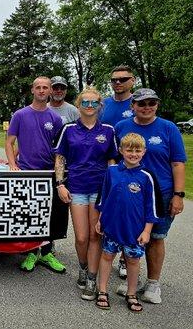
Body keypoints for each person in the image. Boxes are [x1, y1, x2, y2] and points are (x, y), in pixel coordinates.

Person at [114, 88, 187, 304]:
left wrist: (178, 195)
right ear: (132, 105)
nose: (147, 107)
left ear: (157, 105)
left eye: (151, 103)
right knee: (131, 235)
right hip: (129, 193)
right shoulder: (121, 127)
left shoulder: (168, 128)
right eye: (142, 103)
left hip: (161, 193)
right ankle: (133, 281)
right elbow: (114, 160)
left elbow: (177, 163)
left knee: (155, 238)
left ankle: (153, 283)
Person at [54, 88, 118, 300]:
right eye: (86, 103)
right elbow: (60, 158)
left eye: (94, 103)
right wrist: (60, 184)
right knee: (81, 237)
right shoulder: (69, 129)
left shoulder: (108, 130)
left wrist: (112, 187)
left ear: (100, 105)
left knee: (95, 235)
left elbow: (112, 161)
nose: (89, 106)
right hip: (77, 188)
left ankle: (92, 277)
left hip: (99, 189)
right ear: (79, 105)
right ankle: (82, 267)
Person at [5, 76, 66, 273]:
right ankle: (31, 251)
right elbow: (10, 142)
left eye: (45, 88)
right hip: (26, 172)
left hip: (48, 172)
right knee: (29, 213)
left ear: (50, 91)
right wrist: (13, 164)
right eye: (38, 87)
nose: (41, 90)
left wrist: (59, 173)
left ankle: (46, 253)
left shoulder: (55, 119)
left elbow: (59, 148)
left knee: (48, 215)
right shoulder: (20, 115)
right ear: (32, 90)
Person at [94, 133, 160, 313]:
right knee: (107, 257)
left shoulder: (147, 176)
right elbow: (104, 197)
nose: (133, 153)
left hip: (134, 230)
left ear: (144, 152)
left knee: (132, 260)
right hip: (112, 227)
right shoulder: (111, 171)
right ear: (121, 151)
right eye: (129, 150)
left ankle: (131, 294)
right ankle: (102, 291)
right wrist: (100, 219)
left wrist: (147, 230)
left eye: (137, 150)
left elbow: (151, 208)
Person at [99, 65, 136, 279]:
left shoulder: (137, 104)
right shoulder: (105, 105)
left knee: (129, 214)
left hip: (131, 167)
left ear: (132, 81)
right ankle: (107, 255)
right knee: (109, 211)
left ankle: (125, 259)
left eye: (123, 79)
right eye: (114, 80)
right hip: (107, 167)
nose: (118, 83)